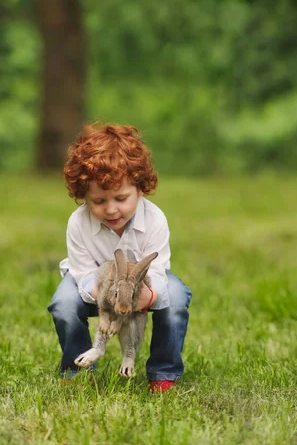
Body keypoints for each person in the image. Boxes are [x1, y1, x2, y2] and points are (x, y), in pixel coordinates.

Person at [47, 123, 192, 393]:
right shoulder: (78, 223)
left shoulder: (154, 219)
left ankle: (164, 371)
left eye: (121, 198)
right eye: (99, 201)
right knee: (63, 305)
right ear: (84, 196)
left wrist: (146, 298)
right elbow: (81, 273)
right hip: (94, 286)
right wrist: (108, 299)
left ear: (140, 188)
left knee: (176, 299)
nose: (112, 210)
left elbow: (158, 272)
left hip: (143, 285)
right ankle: (77, 369)